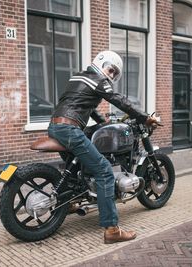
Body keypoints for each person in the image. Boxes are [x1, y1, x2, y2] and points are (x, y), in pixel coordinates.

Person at [48, 50, 157, 244]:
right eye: (112, 70)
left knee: (78, 165)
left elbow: (83, 105)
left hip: (55, 126)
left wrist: (102, 122)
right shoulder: (98, 80)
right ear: (105, 65)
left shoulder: (79, 77)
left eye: (114, 73)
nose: (112, 75)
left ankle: (71, 202)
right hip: (69, 128)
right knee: (105, 171)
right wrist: (145, 117)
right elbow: (119, 100)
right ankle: (112, 230)